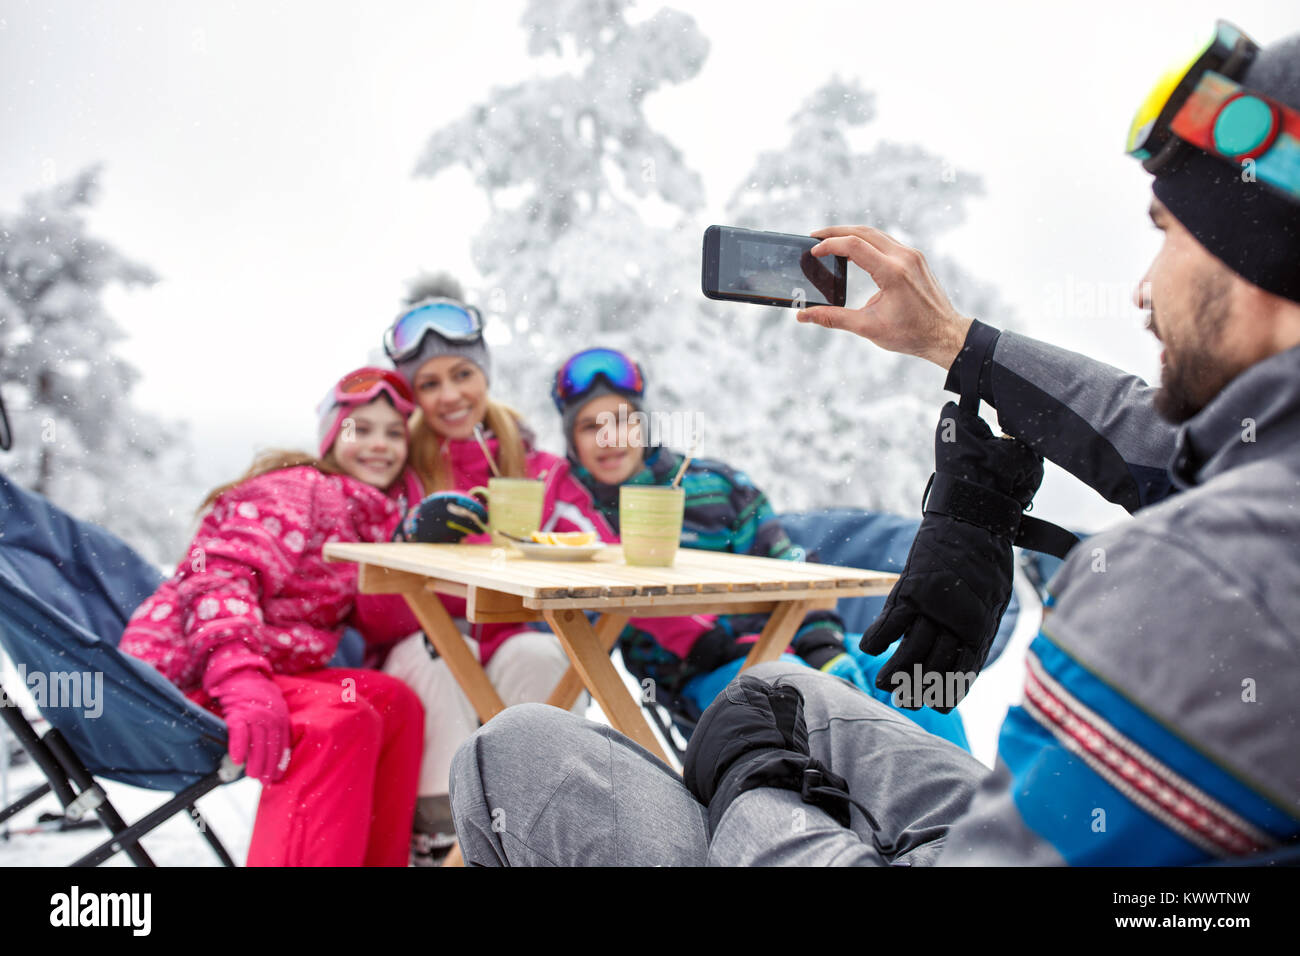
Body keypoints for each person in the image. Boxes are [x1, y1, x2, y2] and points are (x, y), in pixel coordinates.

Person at [447, 23, 1300, 865]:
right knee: (776, 690)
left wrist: (760, 799)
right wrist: (958, 344)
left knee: (512, 754)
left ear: (1258, 256)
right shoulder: (1263, 480)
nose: (1145, 290)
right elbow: (1160, 446)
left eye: (1167, 233)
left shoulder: (1206, 578)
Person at [544, 346, 969, 749]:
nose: (609, 438)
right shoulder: (576, 515)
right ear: (572, 441)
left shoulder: (718, 484)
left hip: (790, 639)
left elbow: (792, 563)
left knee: (915, 682)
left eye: (622, 420)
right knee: (806, 698)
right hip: (703, 672)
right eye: (589, 426)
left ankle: (964, 817)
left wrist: (821, 640)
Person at [120, 367, 425, 866]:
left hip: (271, 672)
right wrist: (239, 677)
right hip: (184, 676)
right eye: (360, 429)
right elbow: (217, 576)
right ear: (330, 437)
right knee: (337, 723)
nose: (380, 445)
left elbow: (383, 621)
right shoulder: (295, 489)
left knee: (394, 702)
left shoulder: (371, 517)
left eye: (394, 433)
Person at [373, 278, 591, 862]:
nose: (449, 396)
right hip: (428, 654)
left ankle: (545, 828)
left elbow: (597, 550)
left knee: (538, 656)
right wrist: (409, 545)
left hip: (517, 641)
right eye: (429, 384)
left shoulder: (541, 470)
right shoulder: (398, 476)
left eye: (461, 375)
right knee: (433, 655)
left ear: (484, 373)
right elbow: (369, 609)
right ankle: (442, 837)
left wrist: (552, 551)